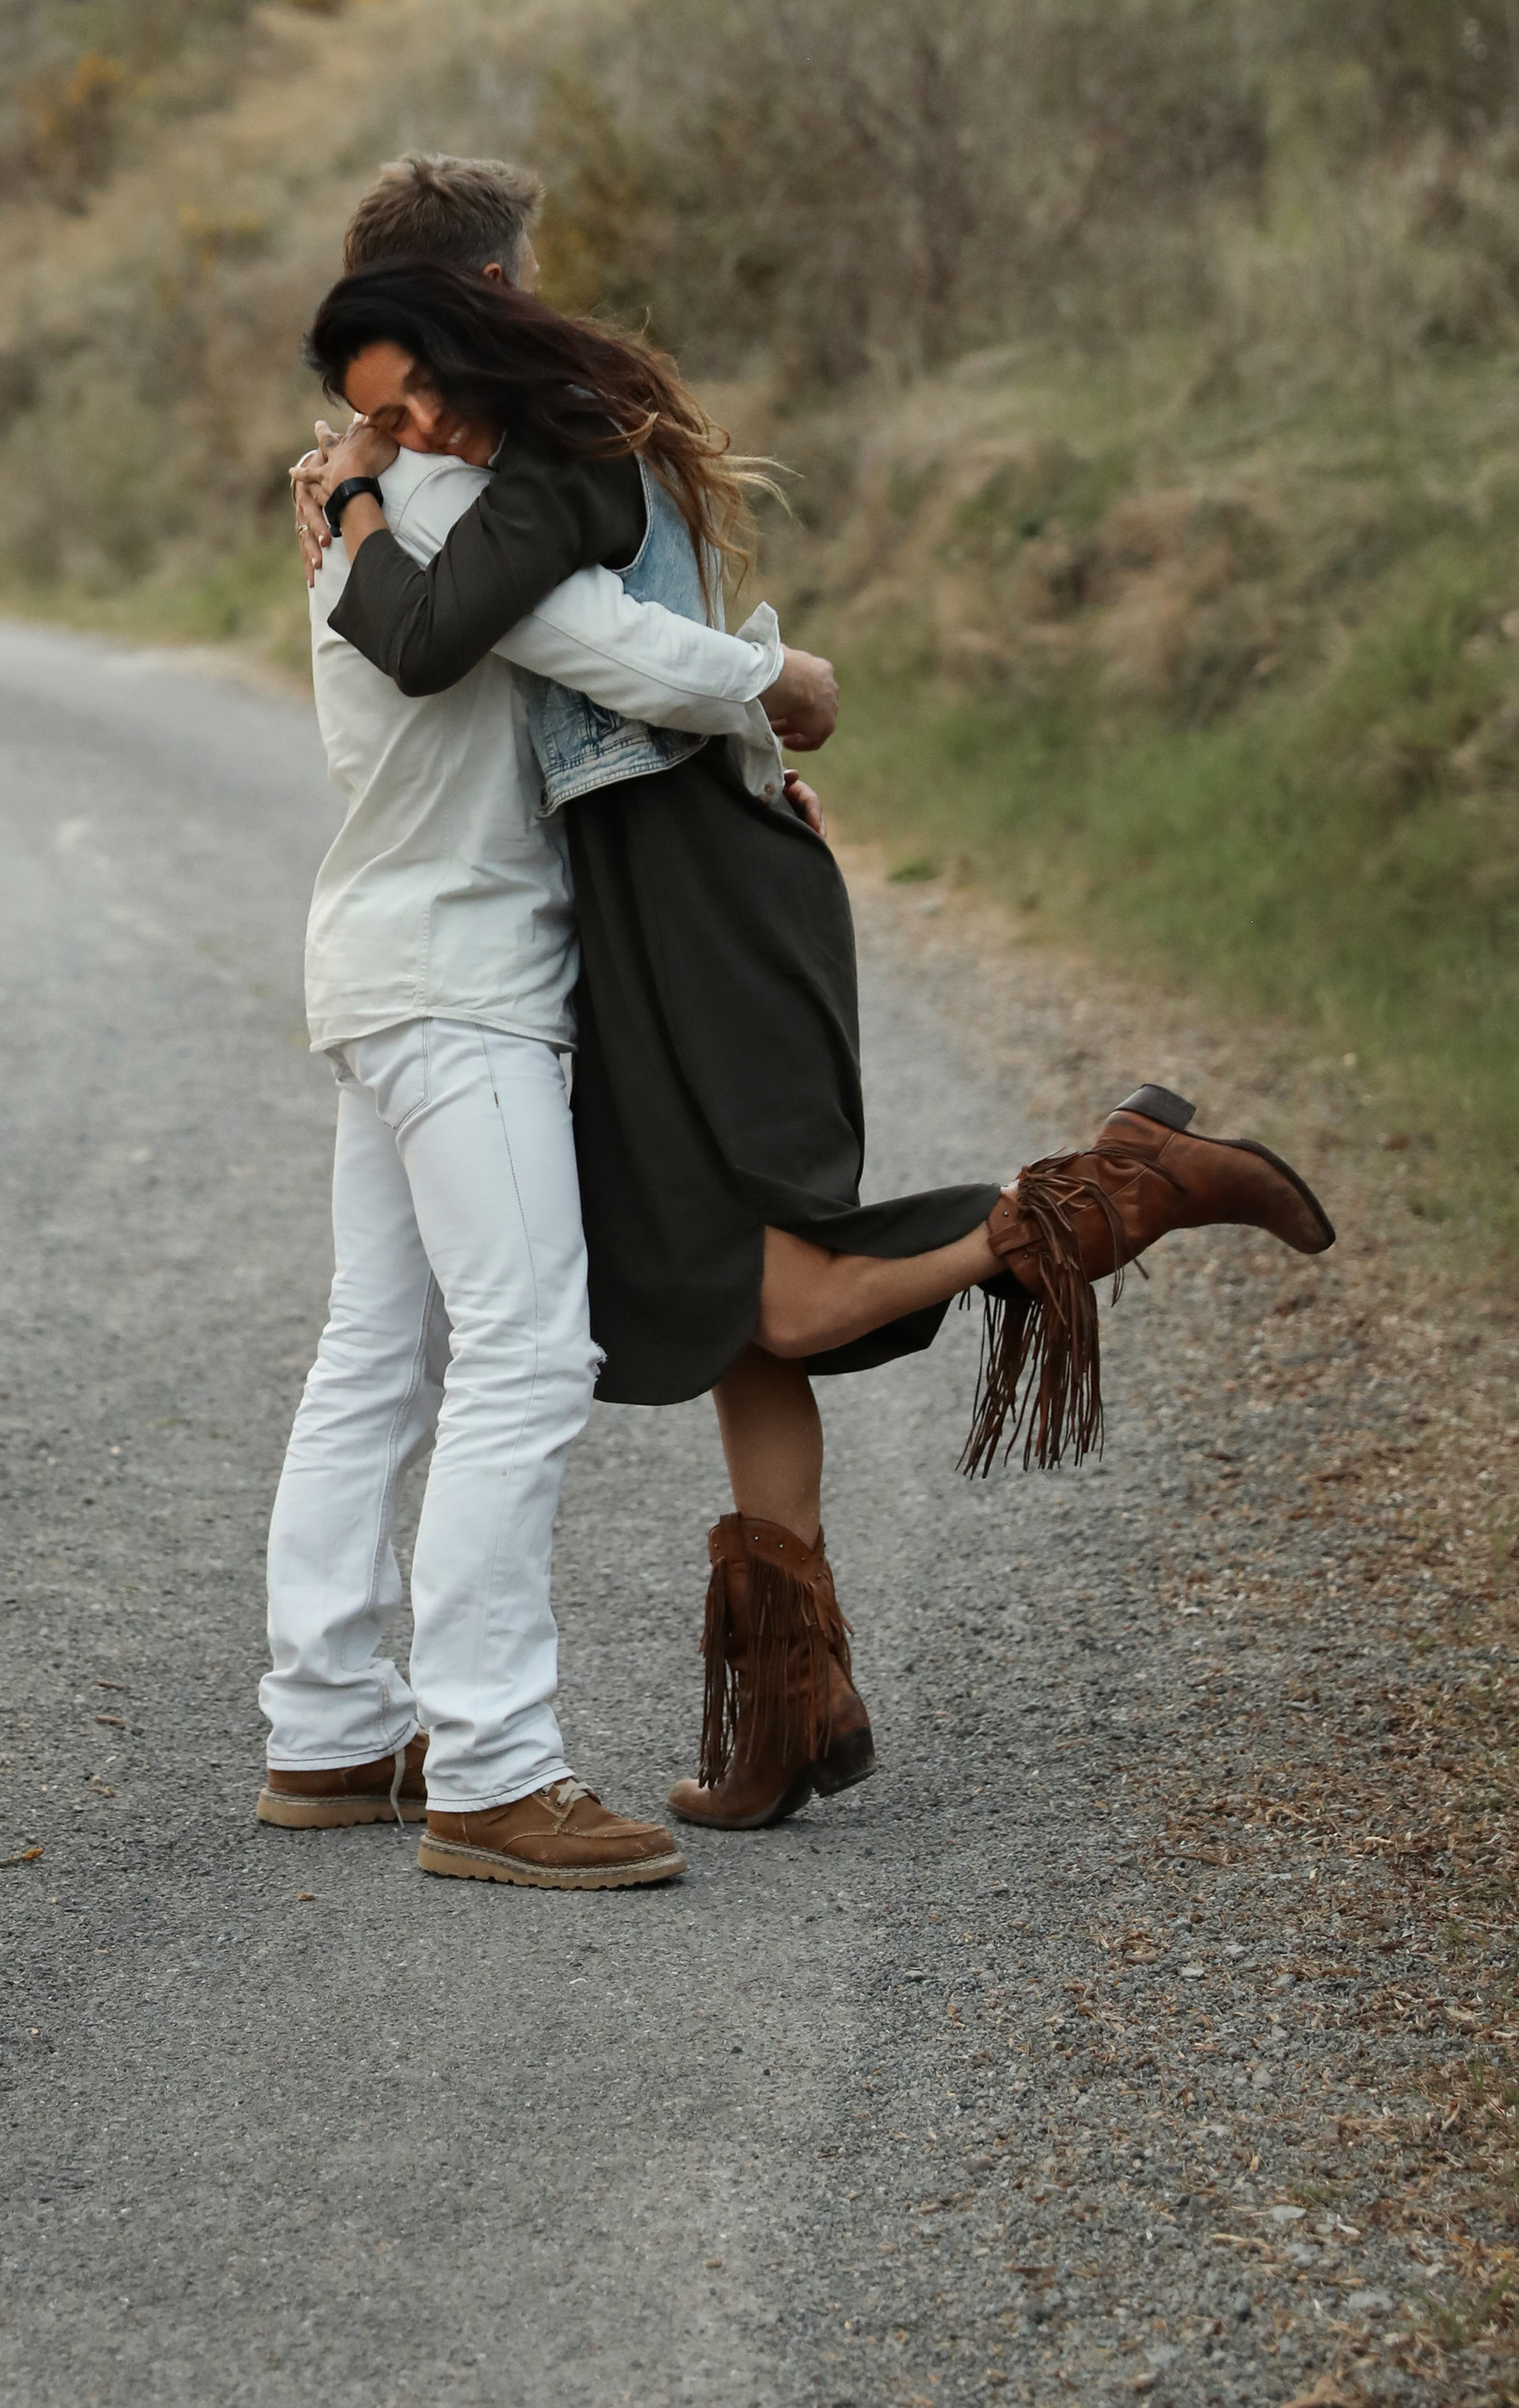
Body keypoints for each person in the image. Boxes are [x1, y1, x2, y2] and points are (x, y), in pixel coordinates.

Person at [298, 248, 1336, 1832]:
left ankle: (1105, 1192)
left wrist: (355, 505)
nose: (410, 432)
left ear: (476, 338)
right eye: (380, 420)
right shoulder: (527, 465)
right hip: (653, 905)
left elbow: (498, 641)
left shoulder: (560, 467)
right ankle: (794, 1707)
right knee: (730, 1303)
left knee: (777, 1282)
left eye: (416, 400)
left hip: (701, 901)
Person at [259, 189, 847, 1890]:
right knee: (525, 1350)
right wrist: (774, 677)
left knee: (381, 1349)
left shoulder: (366, 498)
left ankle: (326, 1725)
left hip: (379, 961)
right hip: (459, 980)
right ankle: (497, 1770)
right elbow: (600, 647)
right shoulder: (439, 501)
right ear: (486, 296)